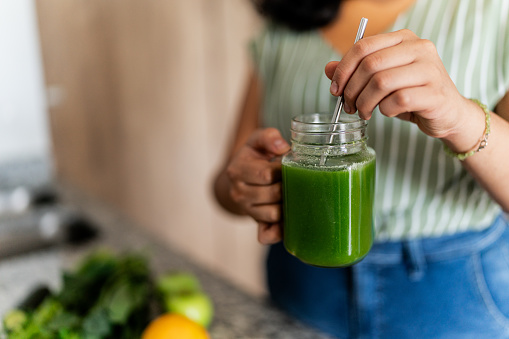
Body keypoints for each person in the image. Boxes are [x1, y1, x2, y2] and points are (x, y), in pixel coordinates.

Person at [213, 0, 509, 338]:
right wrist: (247, 187)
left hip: (452, 292)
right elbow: (225, 184)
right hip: (304, 279)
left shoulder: (495, 14)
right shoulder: (283, 27)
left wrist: (458, 116)